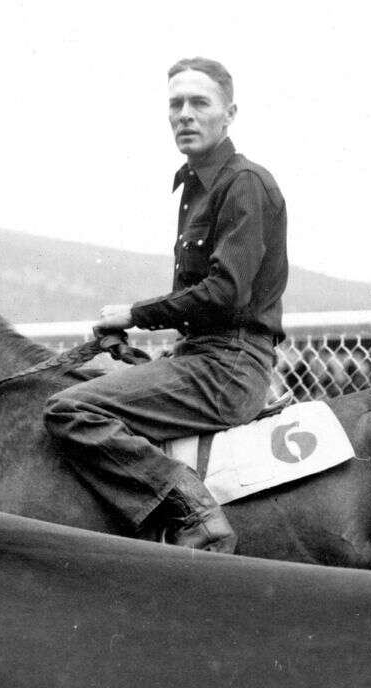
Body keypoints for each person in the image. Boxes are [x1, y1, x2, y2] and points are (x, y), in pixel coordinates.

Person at [43, 56, 287, 554]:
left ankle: (196, 516)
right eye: (175, 104)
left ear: (230, 114)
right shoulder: (195, 185)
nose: (185, 115)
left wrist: (135, 316)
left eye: (200, 103)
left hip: (227, 368)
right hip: (201, 356)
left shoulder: (244, 184)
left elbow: (226, 293)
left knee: (70, 410)